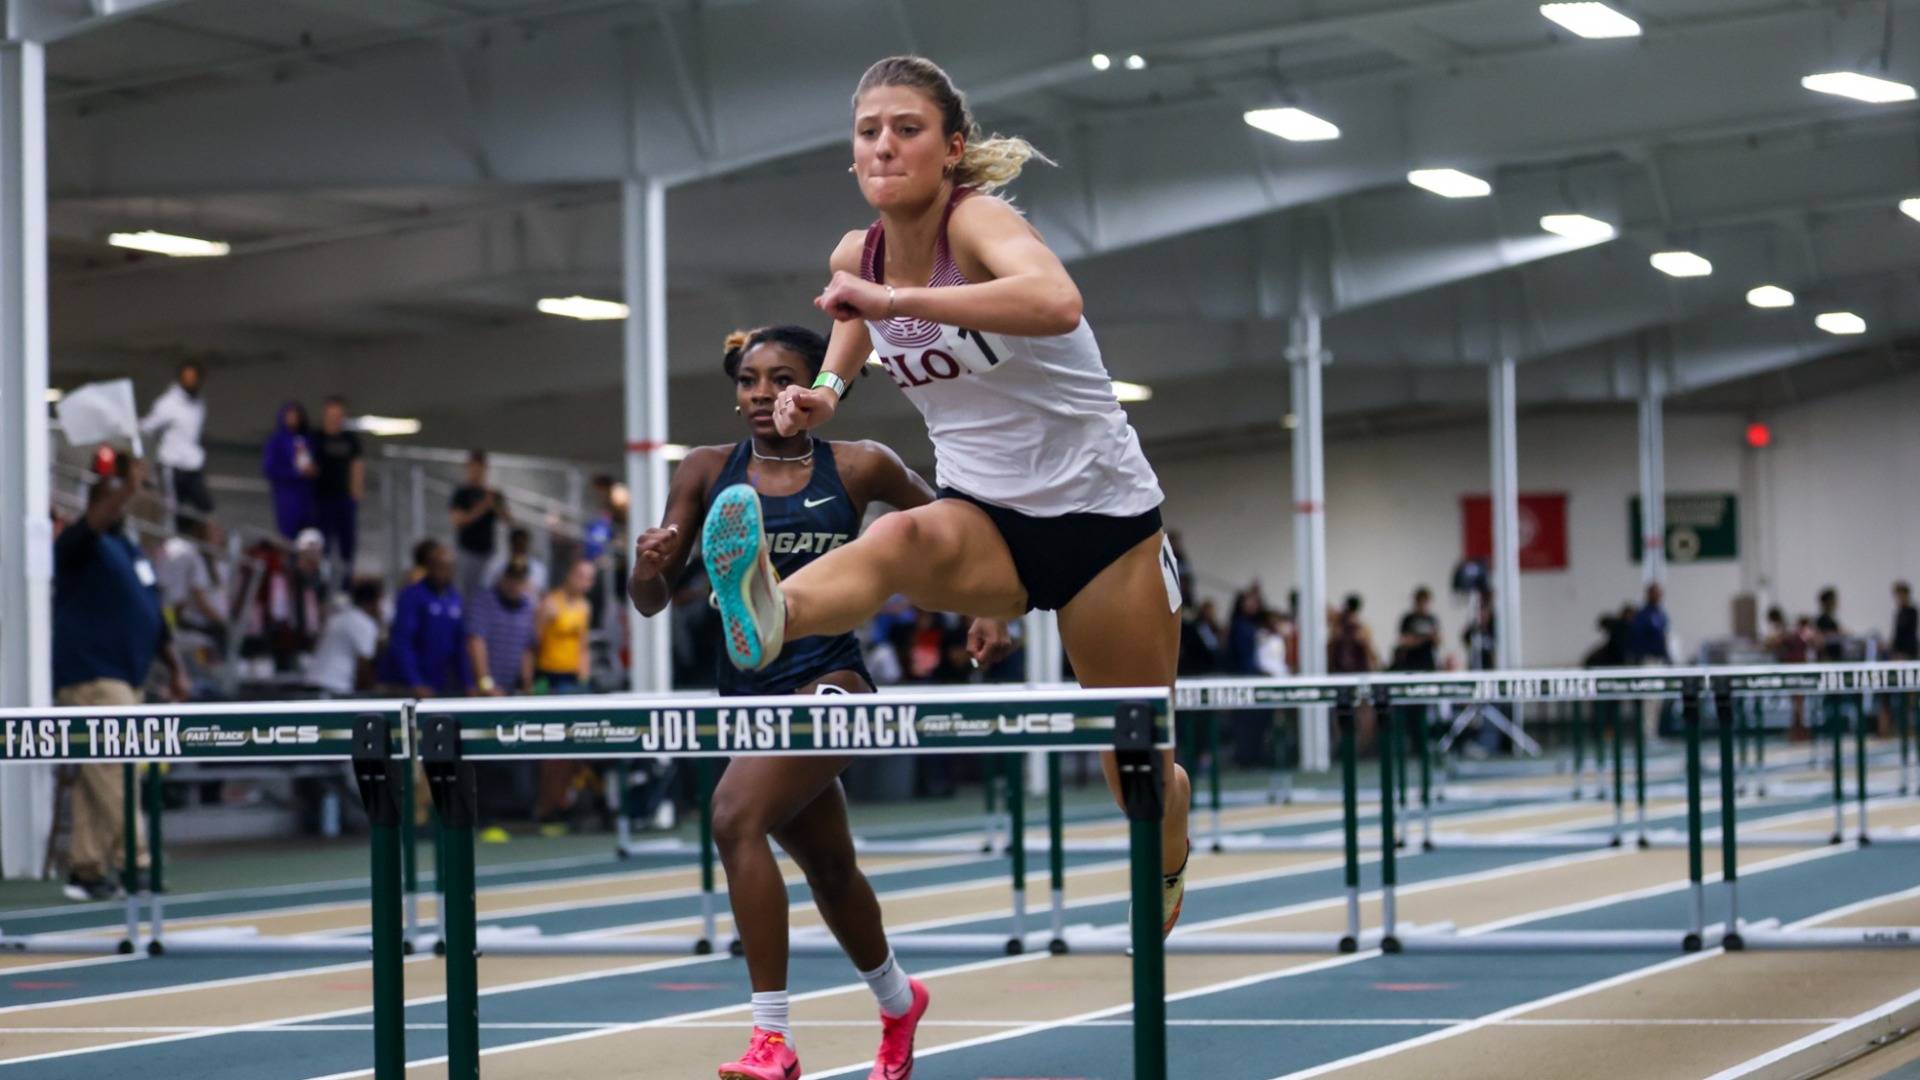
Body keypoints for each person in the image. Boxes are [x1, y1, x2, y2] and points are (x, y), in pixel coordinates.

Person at [691, 57, 1192, 1080]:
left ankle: (1172, 857)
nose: (884, 145)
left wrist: (893, 294)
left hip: (1105, 524)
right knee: (894, 543)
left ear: (949, 147)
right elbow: (851, 337)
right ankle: (769, 610)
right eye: (869, 129)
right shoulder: (856, 253)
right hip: (987, 515)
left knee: (1133, 760)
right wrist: (825, 395)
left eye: (907, 128)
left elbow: (1055, 303)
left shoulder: (978, 225)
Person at [631, 323, 1008, 1080]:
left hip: (832, 684)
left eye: (781, 379)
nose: (763, 395)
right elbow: (649, 603)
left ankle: (771, 1039)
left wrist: (987, 606)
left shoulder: (862, 465)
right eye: (749, 381)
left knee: (736, 818)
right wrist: (648, 565)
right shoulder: (706, 471)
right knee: (832, 872)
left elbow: (954, 533)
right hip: (749, 702)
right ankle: (901, 1001)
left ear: (819, 386)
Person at [53, 453, 187, 901]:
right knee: (115, 769)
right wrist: (126, 485)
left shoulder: (129, 551)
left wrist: (177, 667)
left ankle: (87, 869)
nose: (120, 507)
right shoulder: (76, 545)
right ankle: (139, 862)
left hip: (128, 678)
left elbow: (154, 614)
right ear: (96, 504)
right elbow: (95, 520)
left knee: (101, 773)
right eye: (111, 500)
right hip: (92, 674)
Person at [376, 540, 471, 698]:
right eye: (439, 566)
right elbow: (402, 641)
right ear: (429, 566)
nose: (444, 572)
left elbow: (459, 644)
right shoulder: (412, 595)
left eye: (448, 567)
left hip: (435, 684)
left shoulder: (455, 599)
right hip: (402, 684)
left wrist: (469, 683)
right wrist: (415, 681)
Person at [140, 360, 212, 527]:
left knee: (204, 506)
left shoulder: (200, 403)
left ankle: (197, 543)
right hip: (172, 465)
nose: (191, 382)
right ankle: (171, 542)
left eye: (194, 378)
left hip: (193, 464)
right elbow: (149, 426)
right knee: (172, 508)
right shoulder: (168, 403)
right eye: (187, 378)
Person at [312, 396, 365, 586]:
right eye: (331, 414)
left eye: (338, 414)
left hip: (344, 499)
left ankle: (346, 583)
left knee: (347, 543)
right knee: (324, 542)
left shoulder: (350, 440)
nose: (335, 418)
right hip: (323, 499)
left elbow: (357, 467)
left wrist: (355, 494)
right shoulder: (317, 438)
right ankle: (322, 581)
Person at [450, 450, 513, 601]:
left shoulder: (492, 493)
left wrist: (496, 502)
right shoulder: (461, 493)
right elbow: (459, 521)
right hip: (468, 551)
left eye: (481, 467)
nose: (477, 471)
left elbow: (507, 519)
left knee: (486, 593)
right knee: (467, 593)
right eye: (473, 467)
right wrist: (484, 504)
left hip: (488, 553)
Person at [467, 562, 538, 696]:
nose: (514, 585)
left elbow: (527, 648)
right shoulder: (483, 600)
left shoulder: (527, 606)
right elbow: (475, 642)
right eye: (511, 579)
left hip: (510, 690)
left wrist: (527, 683)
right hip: (479, 688)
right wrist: (486, 684)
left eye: (519, 581)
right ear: (503, 578)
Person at [308, 579, 383, 697]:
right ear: (373, 603)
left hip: (313, 680)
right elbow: (364, 664)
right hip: (335, 687)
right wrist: (367, 694)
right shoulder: (365, 623)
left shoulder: (338, 617)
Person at [536, 558, 596, 694]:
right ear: (570, 575)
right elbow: (534, 640)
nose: (584, 582)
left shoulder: (585, 607)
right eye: (580, 576)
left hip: (572, 672)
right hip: (549, 673)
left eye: (589, 578)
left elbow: (583, 644)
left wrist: (584, 674)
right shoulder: (551, 603)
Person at [261, 400, 318, 541]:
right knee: (287, 537)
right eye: (289, 416)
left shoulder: (308, 440)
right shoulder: (275, 442)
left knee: (308, 538)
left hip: (307, 498)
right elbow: (270, 469)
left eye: (296, 416)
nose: (293, 420)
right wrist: (295, 473)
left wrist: (313, 471)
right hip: (286, 497)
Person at [486, 526, 549, 598]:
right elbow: (486, 586)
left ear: (528, 544)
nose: (520, 547)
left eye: (523, 544)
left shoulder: (539, 568)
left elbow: (542, 594)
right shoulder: (497, 562)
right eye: (517, 543)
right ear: (511, 543)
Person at [1391, 587, 1440, 672]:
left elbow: (1438, 641)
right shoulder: (1409, 619)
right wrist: (1425, 637)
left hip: (1427, 662)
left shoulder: (1432, 619)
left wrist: (1434, 637)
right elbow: (1406, 641)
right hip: (1411, 663)